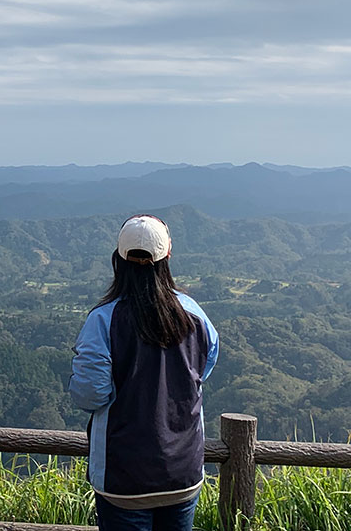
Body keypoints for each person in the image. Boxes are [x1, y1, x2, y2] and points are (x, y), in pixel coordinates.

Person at [70, 215, 219, 531]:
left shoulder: (103, 321)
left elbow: (89, 394)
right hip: (183, 471)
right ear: (168, 257)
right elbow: (201, 371)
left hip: (124, 476)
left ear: (119, 260)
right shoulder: (196, 316)